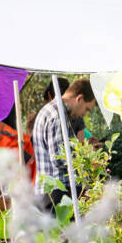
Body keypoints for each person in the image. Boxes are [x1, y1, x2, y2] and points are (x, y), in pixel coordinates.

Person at [31, 78, 97, 210]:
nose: (84, 114)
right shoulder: (57, 115)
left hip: (53, 191)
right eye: (87, 109)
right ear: (79, 98)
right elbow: (60, 158)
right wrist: (87, 159)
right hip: (57, 192)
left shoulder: (56, 112)